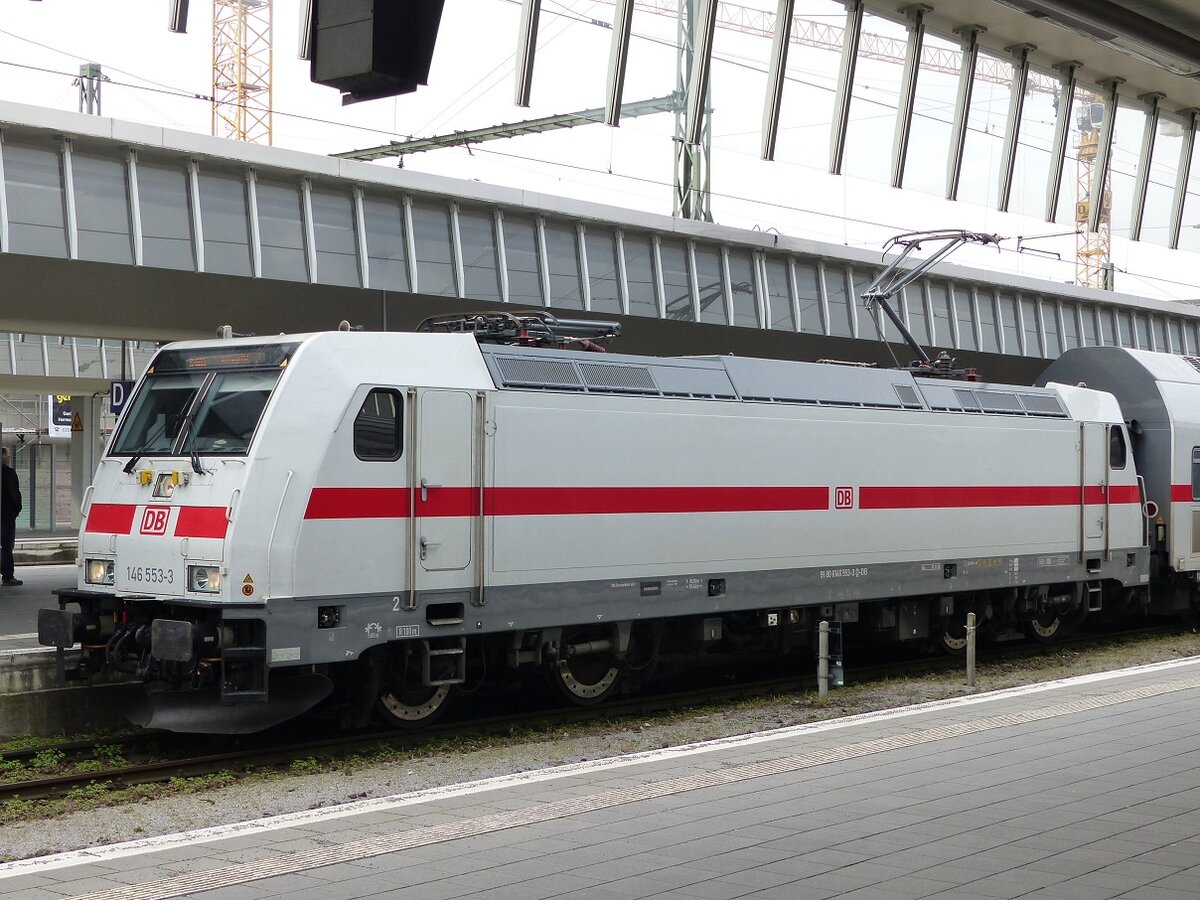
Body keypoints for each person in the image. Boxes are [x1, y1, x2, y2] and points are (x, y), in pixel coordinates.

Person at [1, 447, 22, 586]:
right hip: (6, 515)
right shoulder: (8, 473)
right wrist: (16, 510)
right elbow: (14, 494)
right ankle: (8, 576)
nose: (9, 459)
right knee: (7, 545)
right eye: (8, 457)